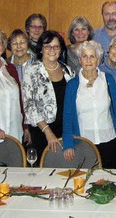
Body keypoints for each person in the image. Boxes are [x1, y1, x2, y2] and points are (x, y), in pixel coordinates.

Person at [62, 40, 116, 168]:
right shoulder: (72, 85)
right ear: (79, 60)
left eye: (92, 56)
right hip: (84, 143)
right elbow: (67, 116)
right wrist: (68, 143)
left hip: (109, 141)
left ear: (98, 60)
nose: (88, 60)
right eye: (84, 56)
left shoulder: (107, 80)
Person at [22, 30, 74, 161]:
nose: (52, 50)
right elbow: (30, 106)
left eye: (56, 46)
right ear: (41, 49)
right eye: (48, 46)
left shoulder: (68, 71)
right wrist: (48, 132)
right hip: (42, 132)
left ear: (61, 49)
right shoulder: (31, 71)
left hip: (65, 130)